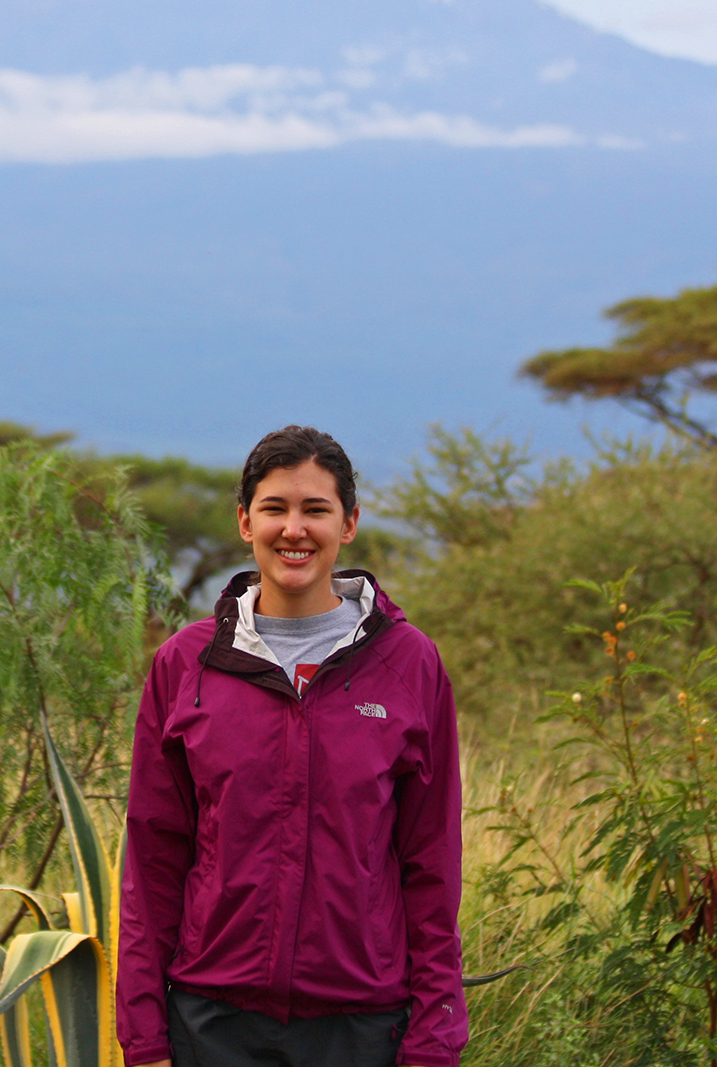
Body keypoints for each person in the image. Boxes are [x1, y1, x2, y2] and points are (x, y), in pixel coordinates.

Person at [118, 425, 467, 1067]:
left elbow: (432, 861)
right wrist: (144, 1040)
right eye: (275, 509)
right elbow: (152, 858)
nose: (294, 530)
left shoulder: (409, 663)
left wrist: (435, 1037)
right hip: (210, 1021)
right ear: (246, 522)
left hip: (362, 1026)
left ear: (350, 522)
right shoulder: (185, 664)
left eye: (316, 510)